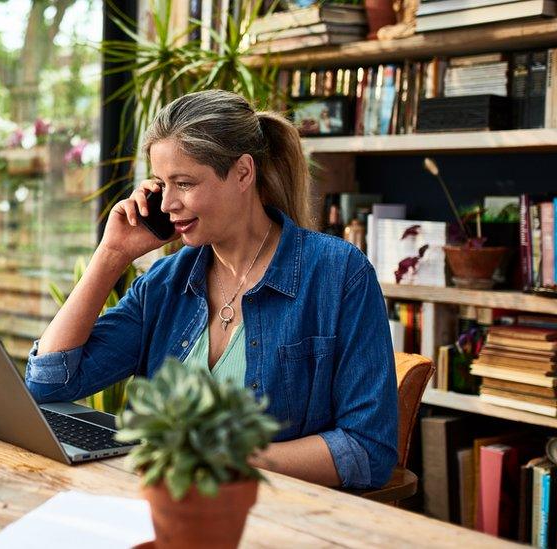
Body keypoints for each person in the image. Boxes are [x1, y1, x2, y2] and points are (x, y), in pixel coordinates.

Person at [24, 90, 397, 490]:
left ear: (242, 173)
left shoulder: (337, 274)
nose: (167, 204)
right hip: (156, 509)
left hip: (274, 519)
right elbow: (48, 384)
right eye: (160, 184)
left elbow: (366, 451)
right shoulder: (165, 283)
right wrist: (111, 254)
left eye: (184, 183)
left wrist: (224, 457)